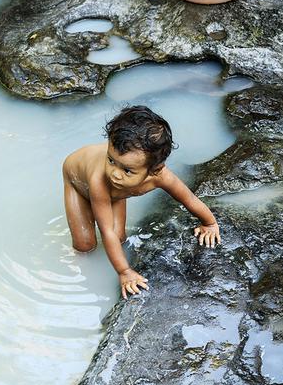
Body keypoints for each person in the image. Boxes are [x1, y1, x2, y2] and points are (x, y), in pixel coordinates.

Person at [63, 105, 220, 299]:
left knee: (120, 238)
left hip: (117, 193)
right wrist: (124, 272)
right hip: (77, 179)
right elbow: (107, 231)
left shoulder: (160, 176)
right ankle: (80, 272)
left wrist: (209, 223)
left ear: (155, 170)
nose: (115, 174)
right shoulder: (101, 180)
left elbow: (189, 199)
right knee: (85, 244)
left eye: (127, 170)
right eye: (110, 160)